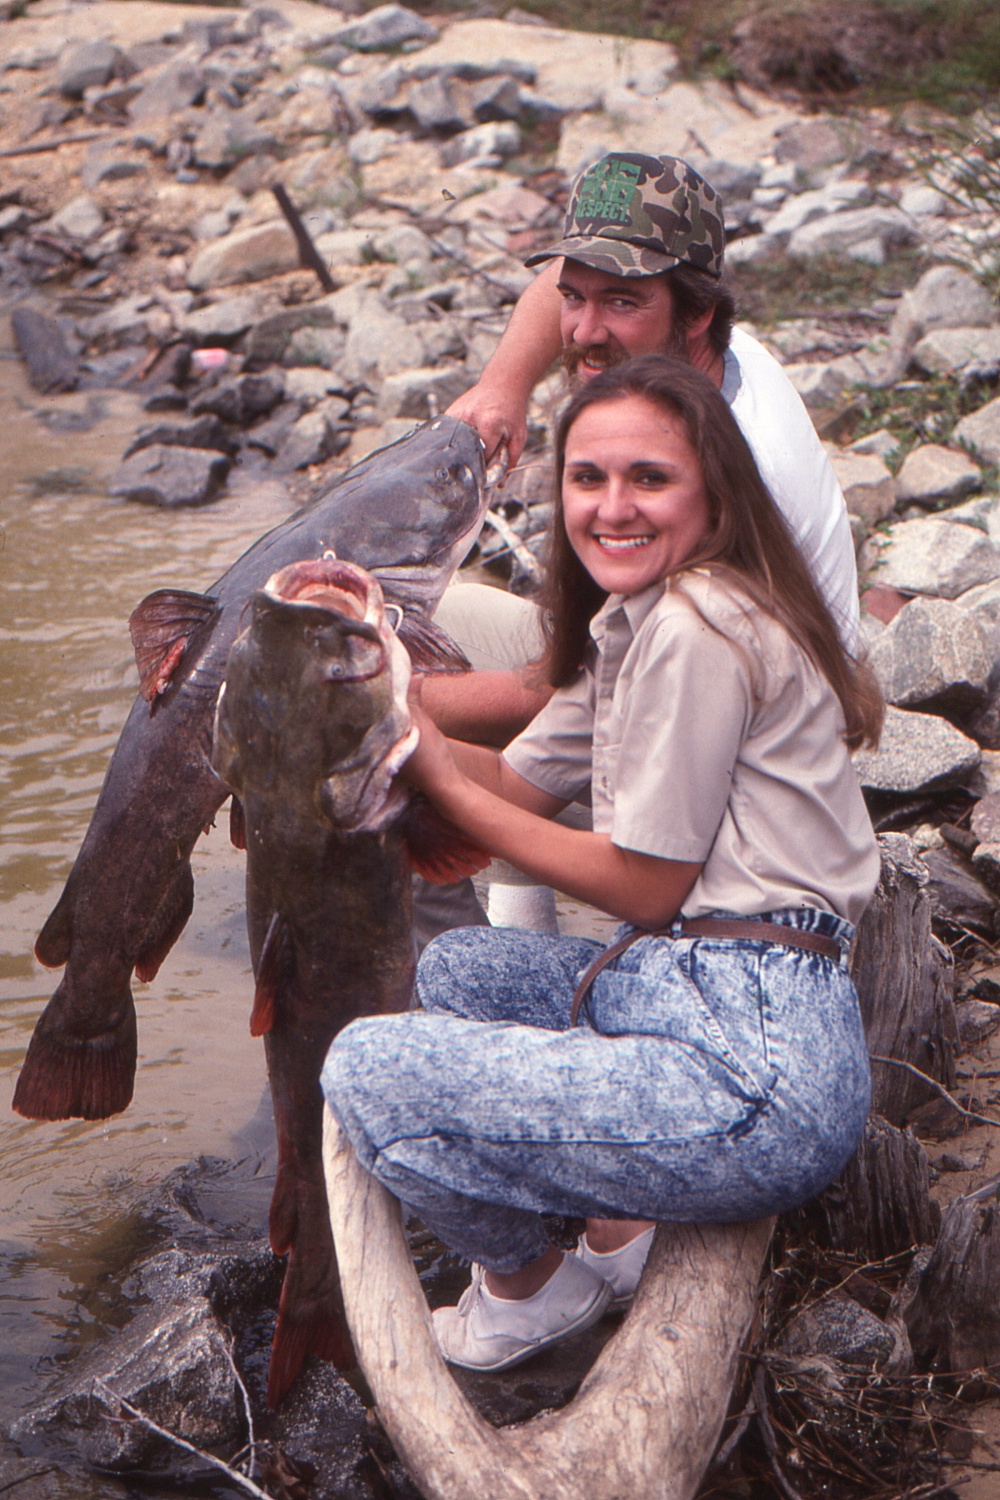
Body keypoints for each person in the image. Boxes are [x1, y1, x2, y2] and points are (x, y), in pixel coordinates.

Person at [322, 356, 882, 1372]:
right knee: (459, 973)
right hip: (698, 993)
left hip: (755, 1059)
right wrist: (378, 717)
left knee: (366, 1069)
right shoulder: (634, 624)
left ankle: (529, 1289)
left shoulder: (697, 625)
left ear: (713, 494)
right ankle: (610, 1231)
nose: (611, 507)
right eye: (588, 479)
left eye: (648, 479)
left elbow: (645, 886)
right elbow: (519, 791)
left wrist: (441, 783)